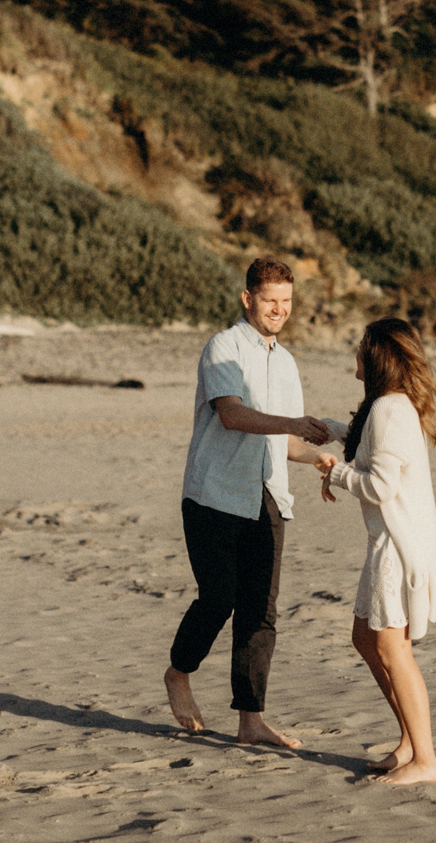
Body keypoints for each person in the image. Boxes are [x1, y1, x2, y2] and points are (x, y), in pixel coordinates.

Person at [164, 257, 337, 748]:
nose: (279, 310)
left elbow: (284, 440)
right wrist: (291, 424)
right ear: (247, 299)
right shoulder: (223, 347)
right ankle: (179, 672)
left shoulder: (285, 361)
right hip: (214, 494)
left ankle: (250, 720)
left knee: (261, 612)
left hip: (268, 497)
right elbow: (233, 416)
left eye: (286, 302)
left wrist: (318, 458)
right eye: (270, 301)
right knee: (219, 597)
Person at [313, 317, 436, 786]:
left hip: (398, 544)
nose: (355, 352)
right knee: (365, 638)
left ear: (376, 358)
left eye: (360, 347)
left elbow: (380, 484)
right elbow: (369, 448)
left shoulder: (391, 410)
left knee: (394, 649)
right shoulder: (387, 409)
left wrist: (334, 474)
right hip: (389, 541)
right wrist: (329, 429)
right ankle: (410, 742)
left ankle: (426, 759)